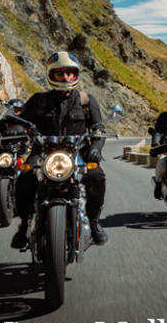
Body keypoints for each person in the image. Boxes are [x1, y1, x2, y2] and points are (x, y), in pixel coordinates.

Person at [10, 51, 108, 248]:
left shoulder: (86, 101)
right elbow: (22, 122)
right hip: (43, 153)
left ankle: (94, 222)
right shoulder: (39, 100)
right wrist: (16, 130)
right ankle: (23, 224)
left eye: (70, 73)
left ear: (76, 74)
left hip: (77, 153)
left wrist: (96, 147)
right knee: (23, 178)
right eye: (60, 73)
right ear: (51, 75)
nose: (66, 77)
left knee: (97, 176)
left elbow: (98, 128)